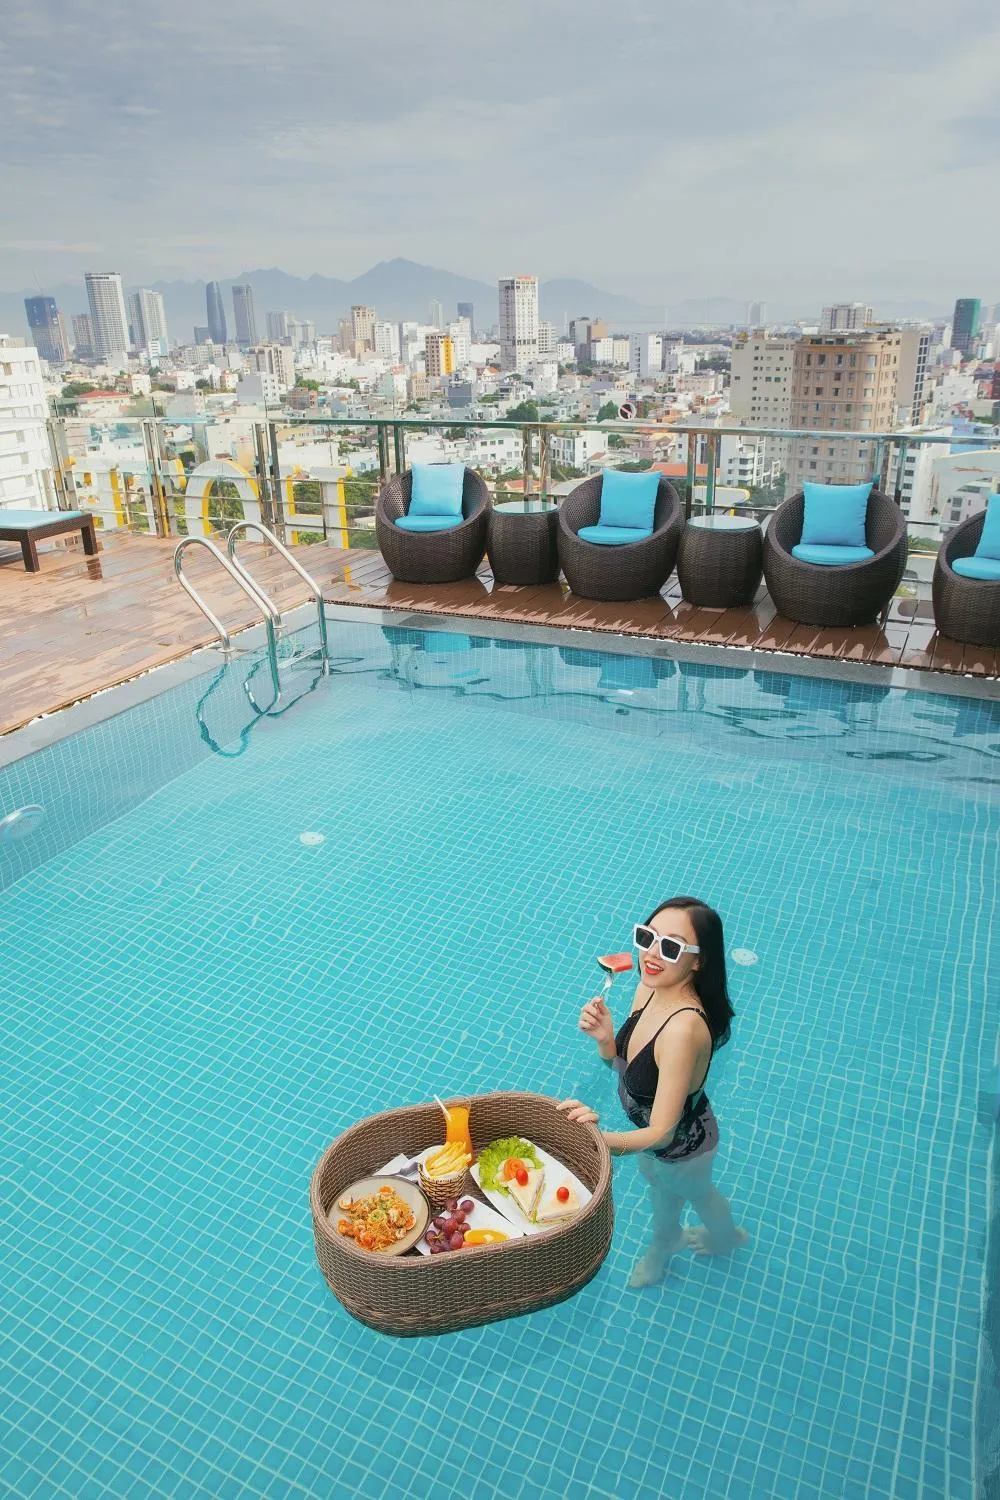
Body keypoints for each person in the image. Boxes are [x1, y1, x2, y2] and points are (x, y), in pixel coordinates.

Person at [558, 896, 747, 1287]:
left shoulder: (683, 1029)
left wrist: (595, 1140)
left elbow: (662, 1131)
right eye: (648, 937)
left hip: (683, 1147)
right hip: (652, 1140)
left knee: (691, 1193)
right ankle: (679, 1236)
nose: (653, 954)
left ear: (698, 961)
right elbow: (627, 1065)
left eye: (672, 946)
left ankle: (707, 1240)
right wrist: (606, 1040)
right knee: (661, 1185)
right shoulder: (650, 987)